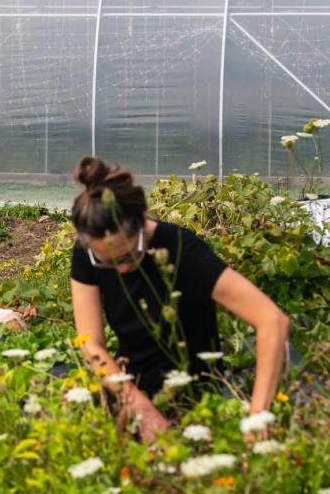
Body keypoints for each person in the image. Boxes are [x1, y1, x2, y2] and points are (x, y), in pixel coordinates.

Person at [68, 156, 289, 441]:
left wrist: (258, 417)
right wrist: (139, 406)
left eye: (128, 255)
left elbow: (272, 320)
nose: (121, 268)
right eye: (107, 262)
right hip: (130, 387)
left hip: (193, 391)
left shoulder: (182, 250)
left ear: (143, 217)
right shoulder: (87, 254)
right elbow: (91, 344)